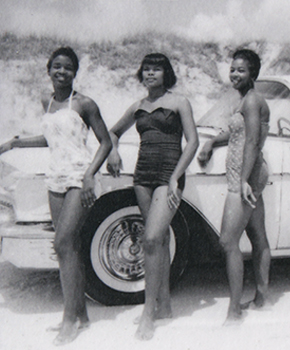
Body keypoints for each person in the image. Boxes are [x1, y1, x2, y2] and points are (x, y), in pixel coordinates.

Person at [0, 47, 112, 345]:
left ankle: (69, 319)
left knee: (61, 242)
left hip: (80, 177)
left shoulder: (85, 103)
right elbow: (52, 138)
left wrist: (90, 175)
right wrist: (15, 143)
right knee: (70, 246)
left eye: (68, 68)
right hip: (56, 178)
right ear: (49, 70)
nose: (61, 72)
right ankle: (82, 315)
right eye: (57, 67)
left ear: (75, 72)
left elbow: (105, 142)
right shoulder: (46, 101)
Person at [107, 53, 198, 340]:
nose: (150, 74)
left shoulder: (179, 101)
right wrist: (113, 149)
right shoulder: (138, 106)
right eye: (146, 69)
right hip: (142, 177)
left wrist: (175, 177)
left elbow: (193, 141)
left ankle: (148, 314)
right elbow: (112, 132)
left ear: (166, 74)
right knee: (158, 240)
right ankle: (166, 303)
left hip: (168, 176)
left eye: (156, 70)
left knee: (151, 239)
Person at [196, 49, 271, 325]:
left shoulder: (252, 101)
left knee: (228, 241)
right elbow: (238, 133)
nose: (235, 74)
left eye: (241, 70)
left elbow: (251, 142)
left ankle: (234, 311)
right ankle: (262, 297)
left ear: (253, 73)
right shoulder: (245, 100)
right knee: (257, 235)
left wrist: (242, 181)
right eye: (233, 69)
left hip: (246, 174)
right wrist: (211, 142)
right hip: (249, 172)